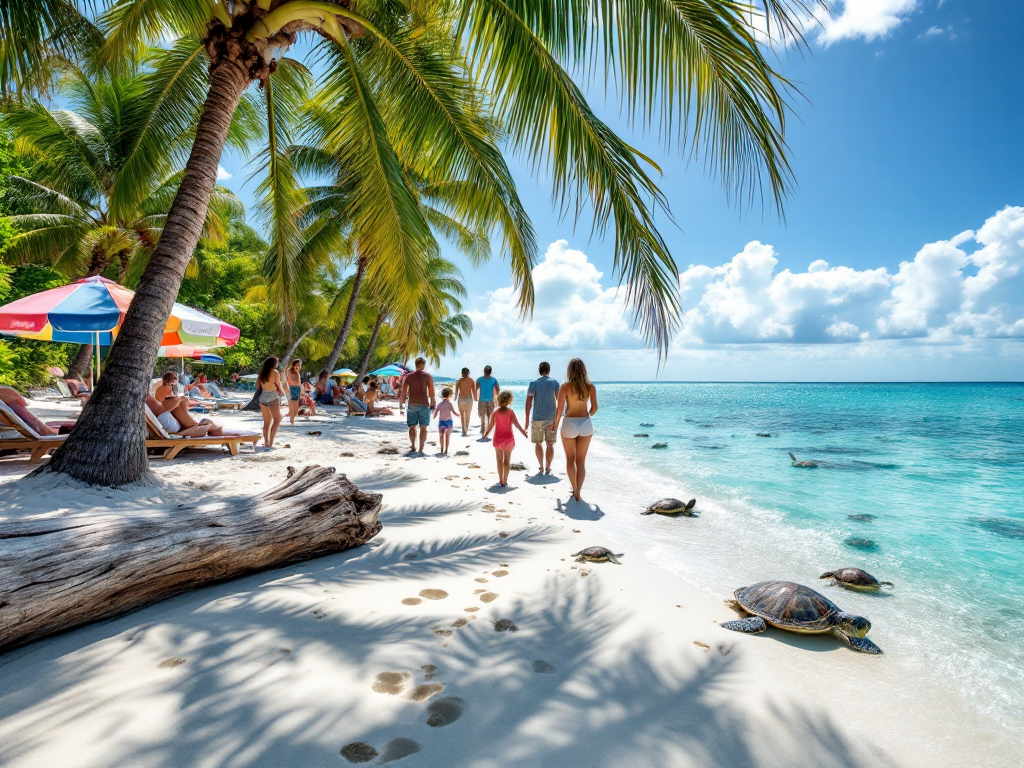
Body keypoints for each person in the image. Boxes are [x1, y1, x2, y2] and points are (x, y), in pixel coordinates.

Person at [552, 358, 598, 502]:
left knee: (570, 460)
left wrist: (555, 425)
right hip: (585, 423)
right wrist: (587, 415)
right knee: (581, 462)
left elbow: (559, 410)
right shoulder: (590, 387)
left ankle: (574, 488)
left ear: (569, 370)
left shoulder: (565, 387)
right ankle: (579, 493)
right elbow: (595, 408)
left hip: (570, 422)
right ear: (584, 370)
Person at [483, 390, 527, 488]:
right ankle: (505, 481)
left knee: (499, 461)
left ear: (498, 400)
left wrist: (486, 434)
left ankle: (501, 481)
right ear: (509, 401)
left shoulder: (495, 413)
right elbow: (517, 425)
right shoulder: (510, 412)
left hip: (498, 439)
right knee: (507, 461)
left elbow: (490, 426)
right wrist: (523, 433)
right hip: (508, 440)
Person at [145, 395, 241, 438]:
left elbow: (186, 433)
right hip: (173, 423)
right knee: (149, 399)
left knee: (149, 399)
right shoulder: (200, 427)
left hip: (174, 427)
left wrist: (179, 435)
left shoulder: (200, 428)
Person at [525, 361, 560, 475]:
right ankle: (548, 468)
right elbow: (560, 401)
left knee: (538, 442)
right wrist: (558, 417)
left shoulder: (533, 384)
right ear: (549, 370)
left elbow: (528, 401)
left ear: (539, 371)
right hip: (551, 418)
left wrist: (526, 419)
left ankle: (541, 466)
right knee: (550, 444)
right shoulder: (555, 383)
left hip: (537, 418)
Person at [400, 357, 435, 454]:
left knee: (412, 427)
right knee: (423, 428)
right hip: (424, 404)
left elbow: (403, 392)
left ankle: (413, 446)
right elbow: (431, 392)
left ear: (416, 364)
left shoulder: (408, 376)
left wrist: (401, 405)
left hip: (412, 404)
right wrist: (433, 402)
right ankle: (420, 449)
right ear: (423, 365)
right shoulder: (427, 376)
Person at [257, 356, 285, 449]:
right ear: (273, 363)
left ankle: (266, 442)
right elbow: (278, 384)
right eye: (277, 362)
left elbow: (258, 387)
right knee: (277, 419)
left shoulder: (262, 373)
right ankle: (271, 443)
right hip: (273, 396)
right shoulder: (275, 372)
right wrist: (281, 393)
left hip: (263, 397)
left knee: (267, 422)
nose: (277, 363)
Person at [475, 365, 499, 438]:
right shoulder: (494, 380)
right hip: (490, 400)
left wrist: (475, 398)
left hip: (481, 400)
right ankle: (487, 433)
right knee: (489, 417)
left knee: (482, 417)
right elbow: (497, 390)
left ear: (484, 371)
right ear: (491, 372)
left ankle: (483, 433)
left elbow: (475, 389)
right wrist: (496, 399)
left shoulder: (479, 379)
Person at [433, 388, 457, 454]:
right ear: (449, 395)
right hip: (449, 422)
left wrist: (433, 417)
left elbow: (435, 412)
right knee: (447, 437)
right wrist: (459, 415)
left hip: (441, 422)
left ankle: (441, 450)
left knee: (441, 436)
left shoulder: (440, 404)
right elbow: (454, 412)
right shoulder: (449, 404)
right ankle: (446, 450)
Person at [454, 368, 475, 437]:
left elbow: (456, 392)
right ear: (468, 373)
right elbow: (474, 391)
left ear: (462, 373)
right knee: (467, 416)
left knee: (462, 416)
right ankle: (466, 431)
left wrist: (454, 399)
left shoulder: (459, 381)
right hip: (469, 399)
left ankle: (463, 431)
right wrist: (476, 399)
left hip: (461, 399)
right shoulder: (471, 380)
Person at [285, 358, 303, 425]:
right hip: (291, 388)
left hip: (297, 388)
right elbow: (287, 380)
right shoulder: (289, 370)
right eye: (297, 364)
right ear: (294, 364)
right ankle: (291, 421)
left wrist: (300, 391)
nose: (299, 366)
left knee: (295, 407)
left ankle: (292, 419)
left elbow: (299, 382)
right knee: (292, 405)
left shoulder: (297, 372)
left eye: (299, 365)